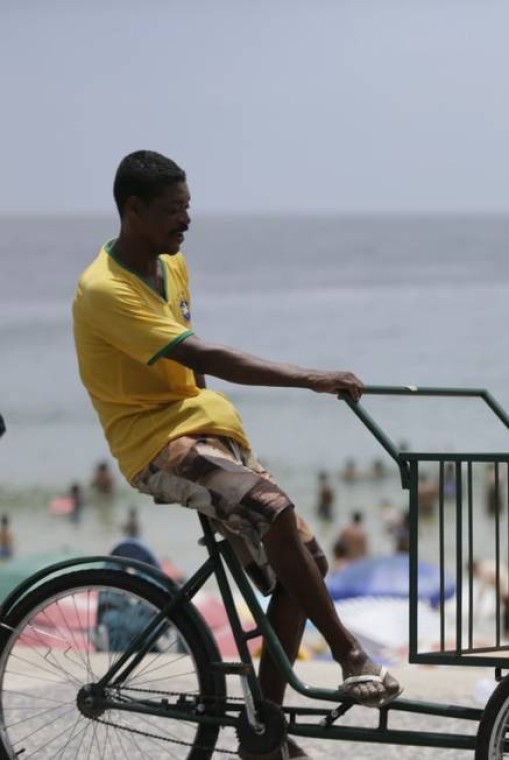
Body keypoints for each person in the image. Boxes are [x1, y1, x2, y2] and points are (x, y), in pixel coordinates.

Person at [71, 151, 399, 757]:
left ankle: (261, 732)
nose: (185, 221)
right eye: (174, 212)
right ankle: (350, 654)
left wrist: (225, 446)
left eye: (188, 209)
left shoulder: (172, 267)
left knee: (309, 566)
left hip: (203, 433)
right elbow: (206, 357)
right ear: (133, 210)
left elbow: (189, 378)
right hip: (154, 444)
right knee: (272, 508)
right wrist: (310, 377)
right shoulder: (104, 289)